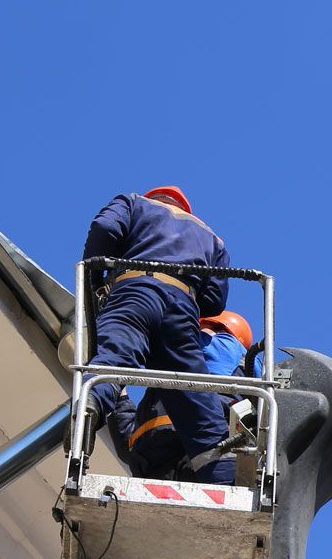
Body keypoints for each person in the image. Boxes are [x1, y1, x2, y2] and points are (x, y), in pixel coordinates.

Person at [82, 186, 234, 483]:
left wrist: (97, 280)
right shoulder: (211, 237)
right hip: (182, 308)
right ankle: (222, 477)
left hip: (134, 290)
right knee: (192, 391)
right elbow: (215, 300)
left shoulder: (133, 203)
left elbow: (105, 228)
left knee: (114, 358)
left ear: (155, 198)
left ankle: (90, 407)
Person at [119, 311, 255, 478]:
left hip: (154, 450)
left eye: (204, 328)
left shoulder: (226, 345)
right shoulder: (244, 366)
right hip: (193, 447)